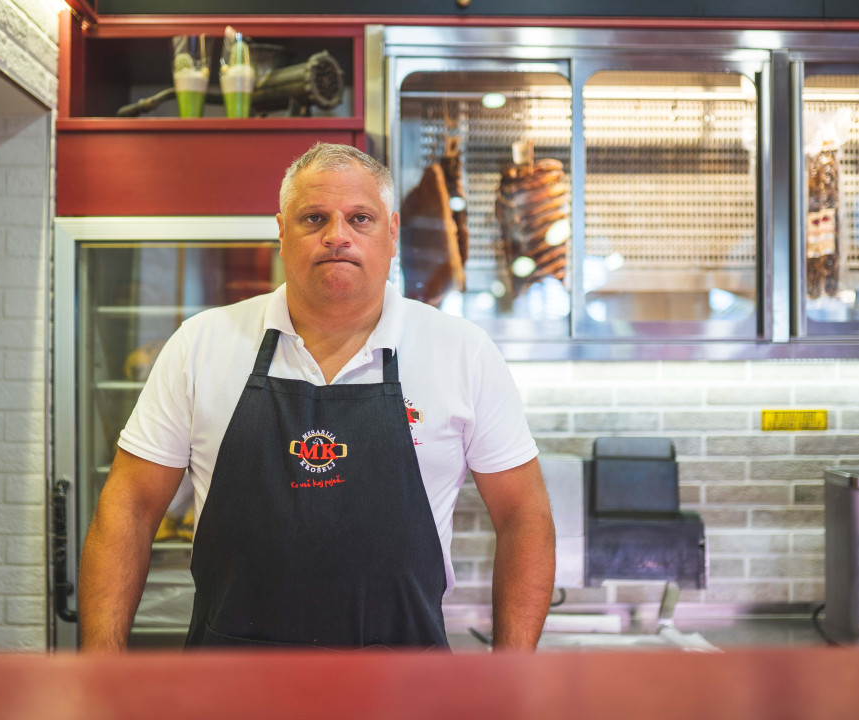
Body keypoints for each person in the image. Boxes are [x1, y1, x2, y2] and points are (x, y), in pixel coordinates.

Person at [78, 143, 556, 652]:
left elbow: (525, 516)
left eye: (360, 219)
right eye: (313, 218)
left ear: (391, 233)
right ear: (282, 233)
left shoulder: (463, 353)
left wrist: (512, 674)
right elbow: (128, 503)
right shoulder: (203, 344)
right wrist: (102, 666)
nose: (337, 237)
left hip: (405, 689)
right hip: (229, 688)